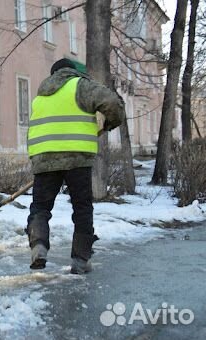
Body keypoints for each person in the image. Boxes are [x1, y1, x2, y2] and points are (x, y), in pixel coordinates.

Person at [26, 58, 125, 274]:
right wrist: (110, 123)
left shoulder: (40, 95)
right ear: (71, 72)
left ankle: (39, 246)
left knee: (40, 208)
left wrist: (38, 158)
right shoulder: (80, 85)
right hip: (76, 157)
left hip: (44, 158)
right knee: (81, 208)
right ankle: (80, 260)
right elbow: (113, 103)